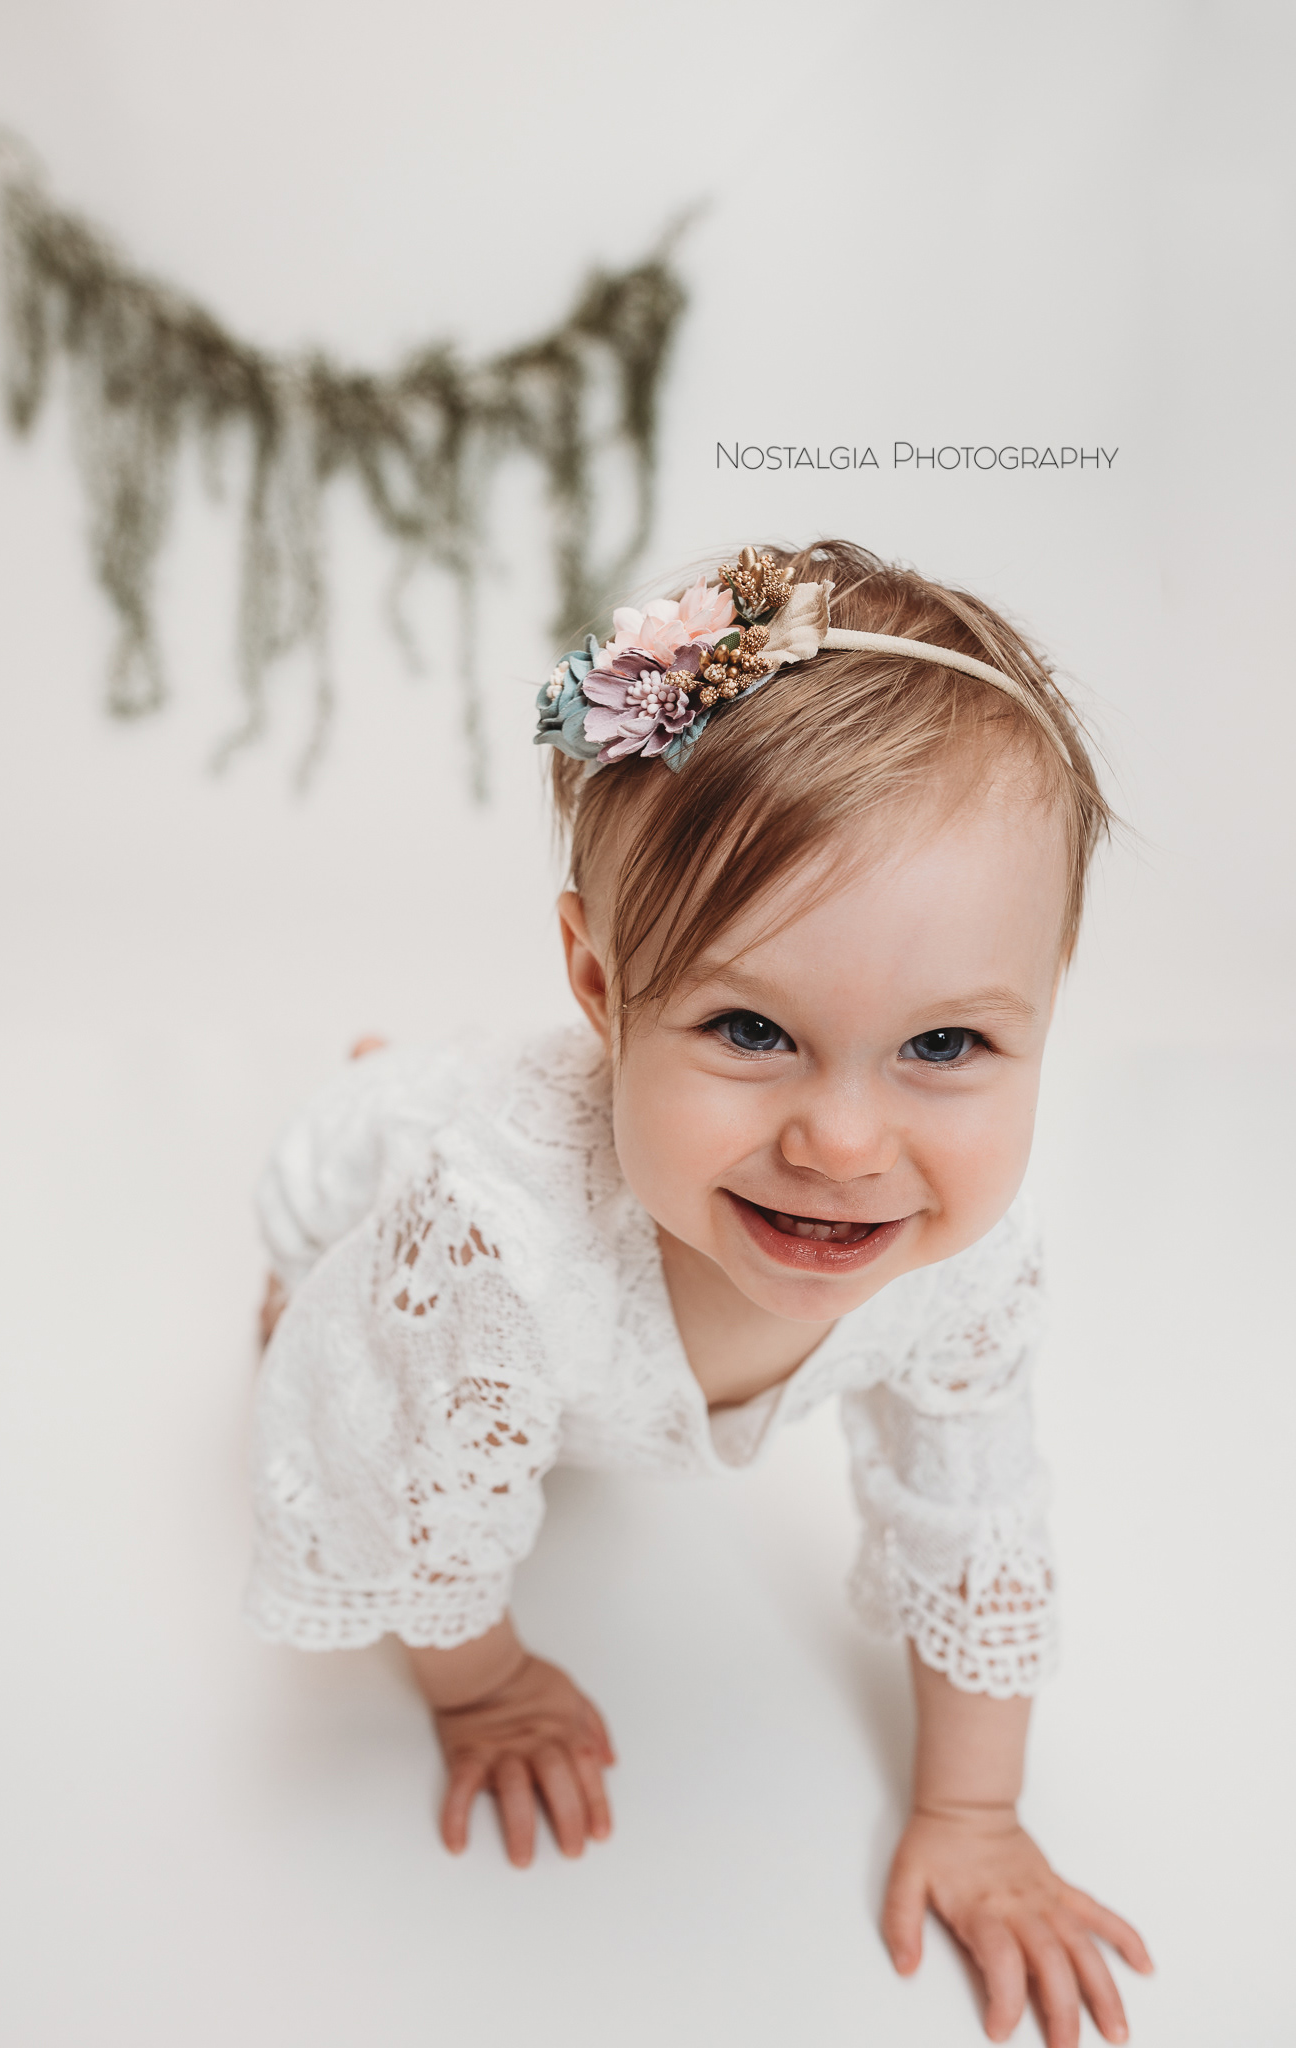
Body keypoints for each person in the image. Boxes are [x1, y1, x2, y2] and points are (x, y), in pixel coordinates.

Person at [248, 538, 1152, 2046]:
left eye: (944, 1046)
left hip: (541, 1259)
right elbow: (405, 1502)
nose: (845, 1145)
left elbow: (976, 1514)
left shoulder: (964, 1255)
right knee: (352, 1336)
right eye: (750, 1028)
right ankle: (367, 1122)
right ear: (602, 987)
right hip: (397, 1207)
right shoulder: (492, 1246)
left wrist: (975, 1813)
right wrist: (483, 1688)